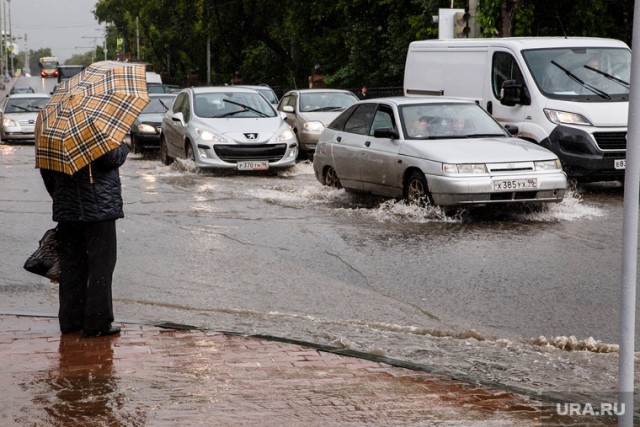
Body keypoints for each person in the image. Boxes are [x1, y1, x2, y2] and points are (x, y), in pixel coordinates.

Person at [40, 143, 129, 338]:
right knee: (101, 267)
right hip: (99, 211)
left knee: (71, 266)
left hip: (67, 210)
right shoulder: (96, 130)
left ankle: (70, 321)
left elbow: (47, 173)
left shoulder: (54, 135)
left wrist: (60, 195)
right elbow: (111, 158)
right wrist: (123, 146)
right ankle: (98, 323)